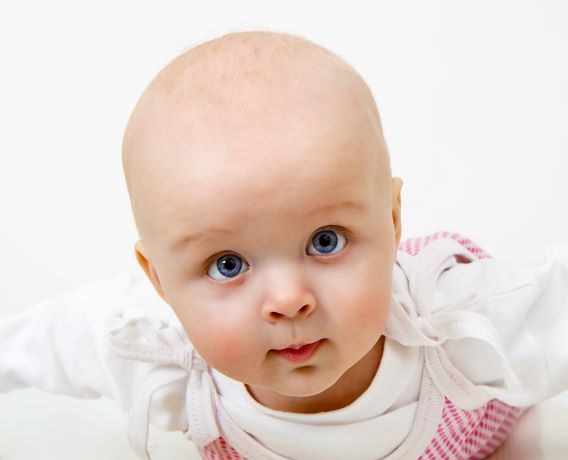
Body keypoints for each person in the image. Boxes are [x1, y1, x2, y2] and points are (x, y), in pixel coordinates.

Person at [1, 30, 567, 460]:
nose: (289, 299)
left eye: (325, 242)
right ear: (160, 282)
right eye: (227, 265)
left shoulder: (467, 325)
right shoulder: (151, 347)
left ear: (393, 222)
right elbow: (39, 344)